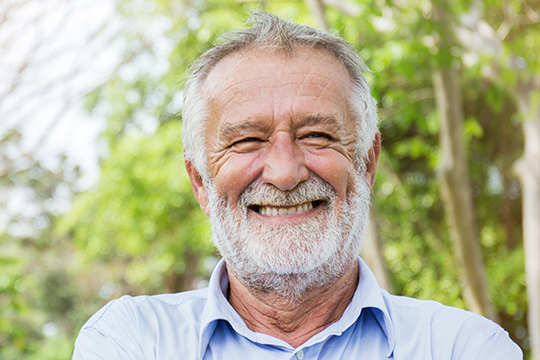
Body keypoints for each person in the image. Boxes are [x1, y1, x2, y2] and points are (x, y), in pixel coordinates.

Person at [73, 12, 522, 360]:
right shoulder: (131, 339)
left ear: (366, 164)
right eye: (248, 140)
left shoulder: (464, 347)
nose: (285, 172)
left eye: (317, 136)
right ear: (200, 182)